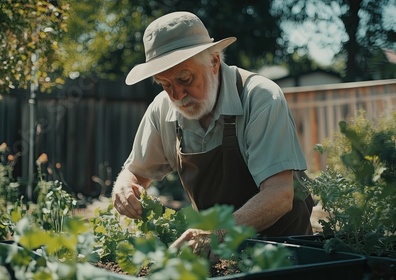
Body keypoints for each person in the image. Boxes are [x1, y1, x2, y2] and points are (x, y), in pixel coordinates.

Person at [112, 11, 314, 244]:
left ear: (214, 61)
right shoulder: (162, 108)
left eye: (184, 79)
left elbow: (279, 194)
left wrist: (217, 233)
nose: (176, 95)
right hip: (216, 254)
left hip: (283, 250)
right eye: (165, 84)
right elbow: (134, 173)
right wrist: (125, 187)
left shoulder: (260, 97)